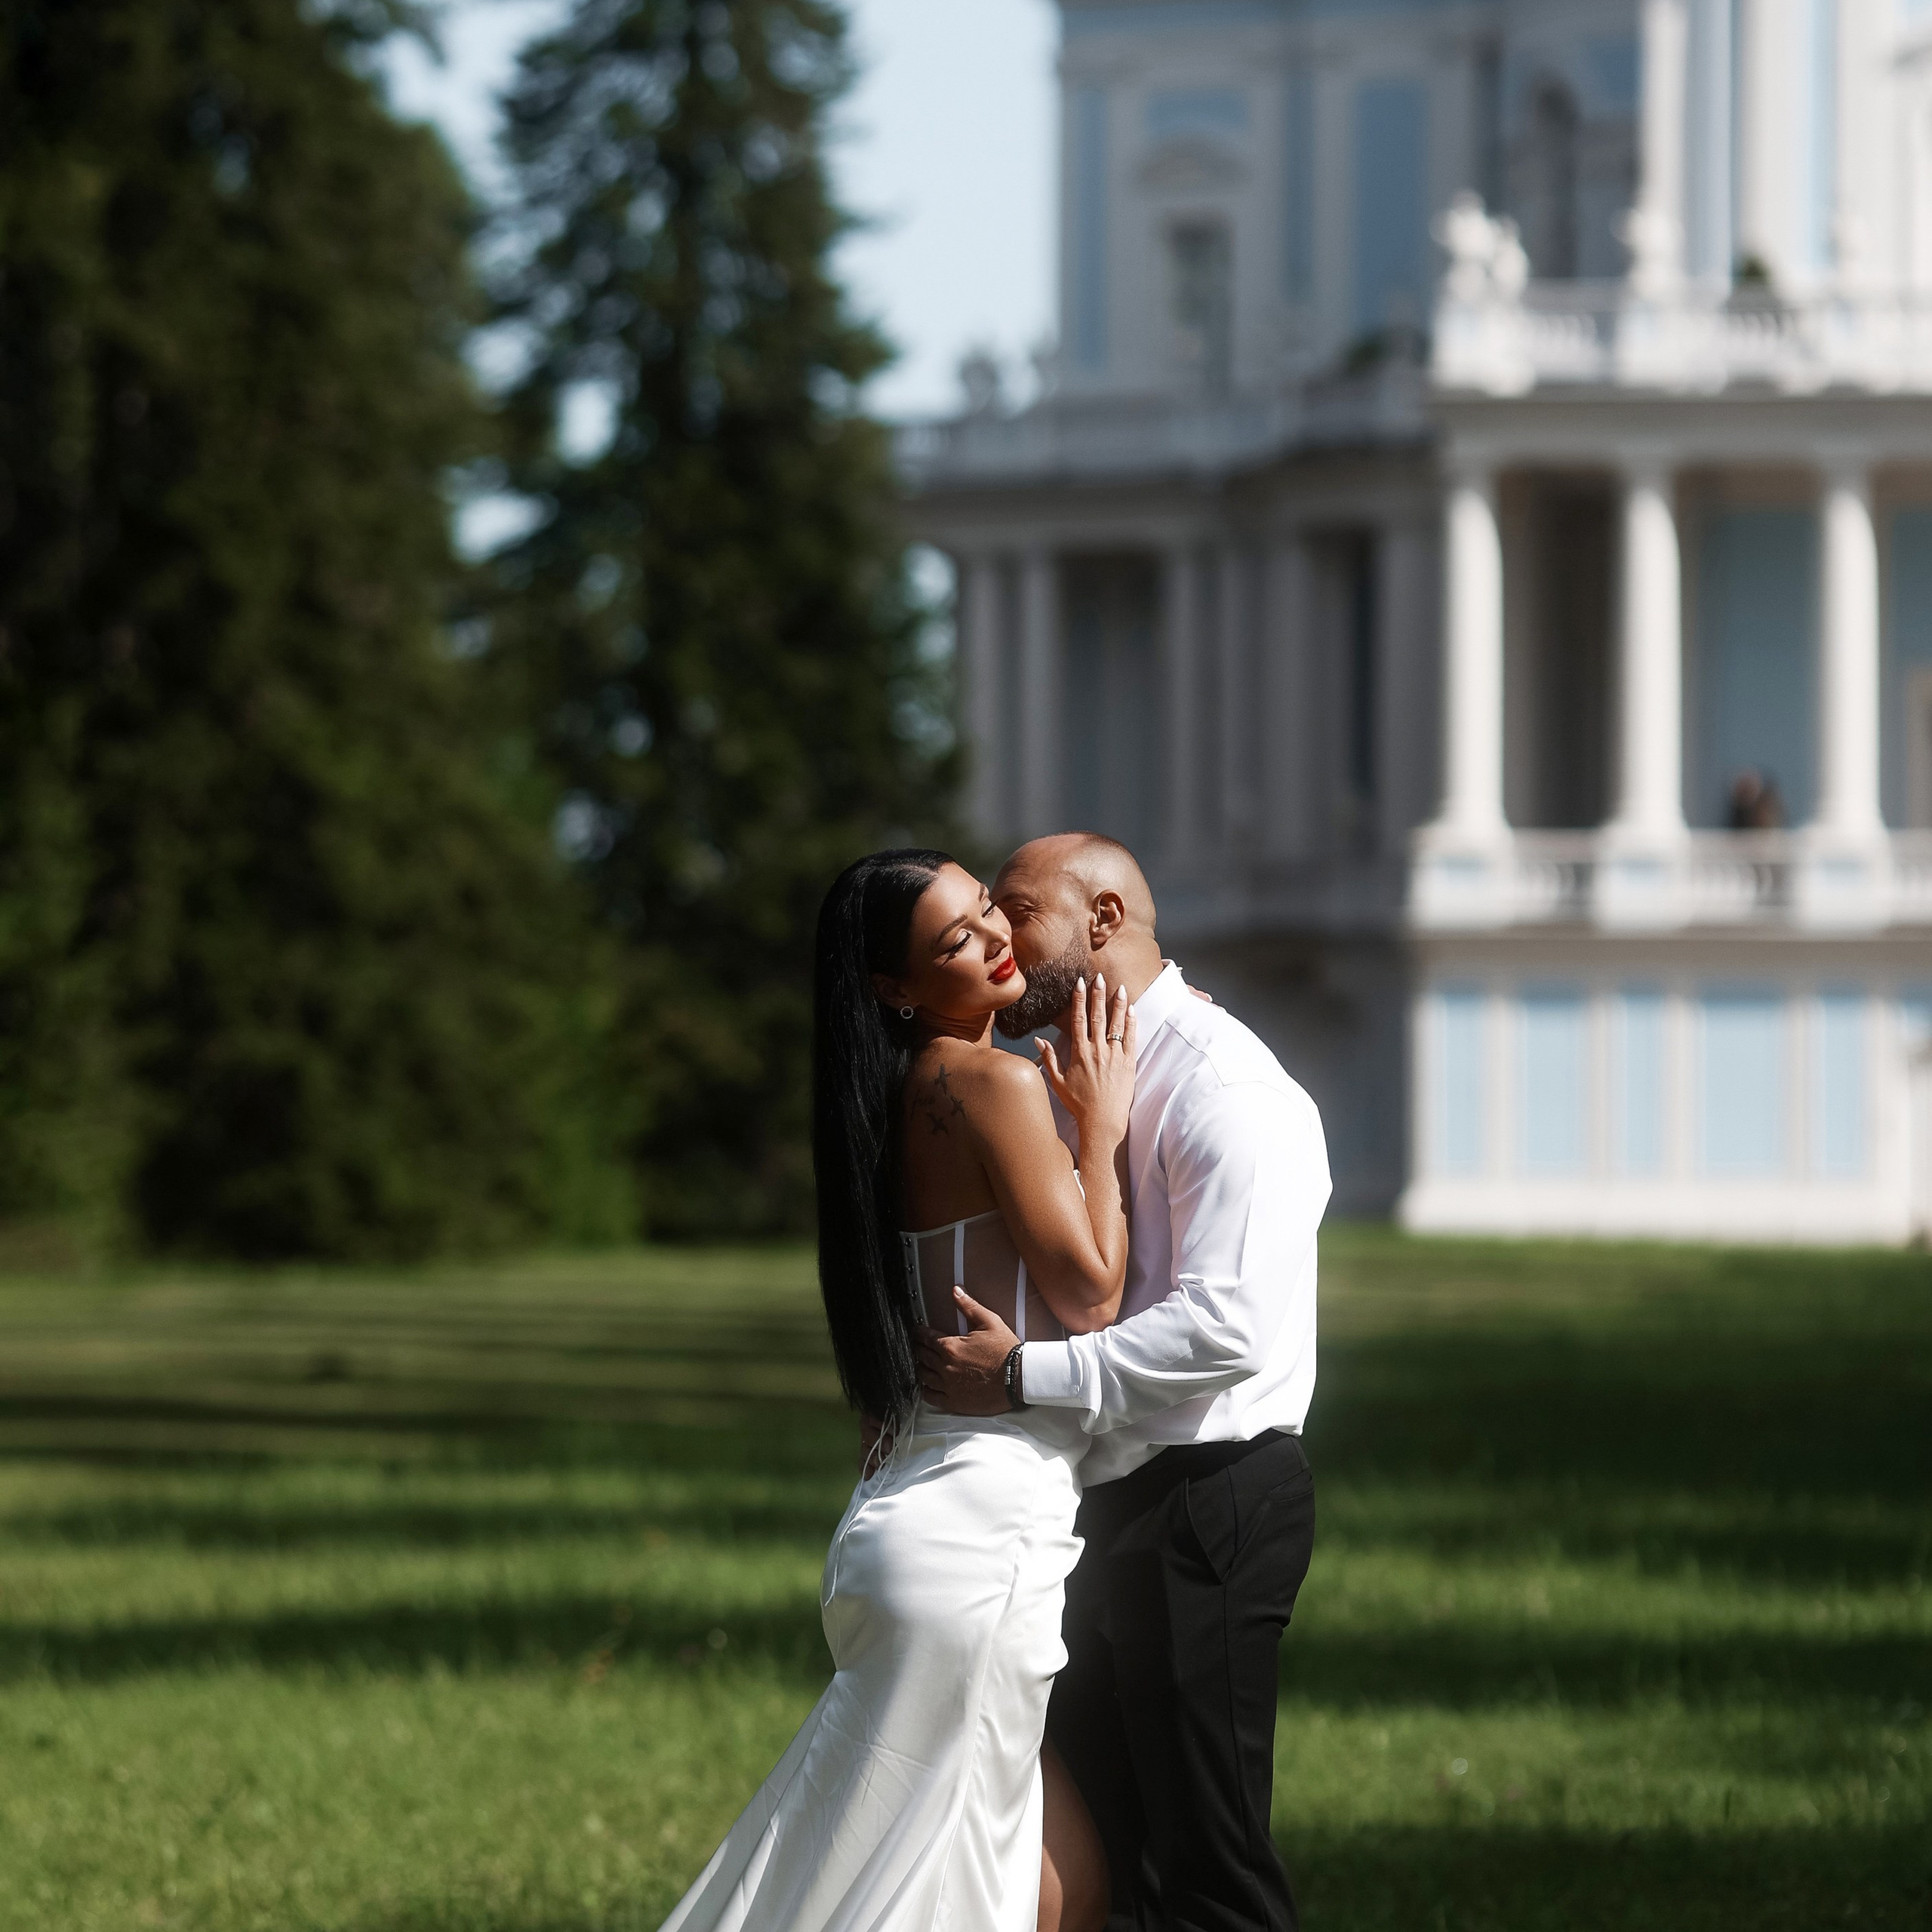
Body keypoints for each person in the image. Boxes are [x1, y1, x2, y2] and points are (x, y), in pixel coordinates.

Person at [661, 848, 1135, 1932]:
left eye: (989, 910)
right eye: (958, 942)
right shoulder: (992, 1083)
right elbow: (1092, 1293)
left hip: (906, 1511)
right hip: (980, 1530)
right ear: (896, 988)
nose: (997, 940)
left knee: (1045, 1884)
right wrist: (1101, 1131)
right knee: (955, 1898)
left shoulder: (885, 1106)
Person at [921, 832, 1330, 1932]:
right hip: (1089, 1501)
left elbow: (1227, 1329)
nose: (1000, 937)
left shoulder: (1228, 1087)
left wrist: (1021, 1378)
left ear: (1102, 919)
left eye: (1019, 911)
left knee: (1210, 1865)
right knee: (1107, 1865)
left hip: (1207, 1500)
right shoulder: (1056, 1075)